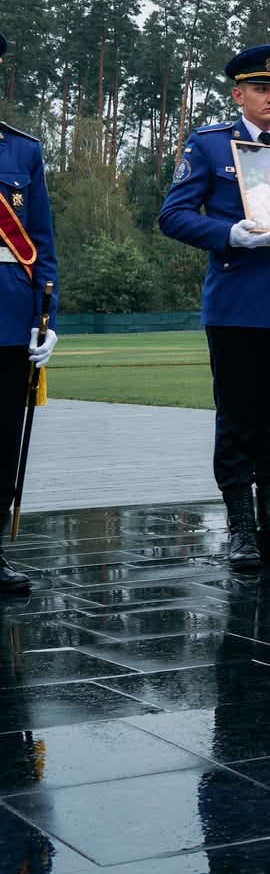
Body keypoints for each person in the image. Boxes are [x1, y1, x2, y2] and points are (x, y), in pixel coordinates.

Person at [159, 43, 270, 570]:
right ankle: (241, 530)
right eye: (261, 88)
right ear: (238, 94)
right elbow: (173, 215)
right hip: (236, 304)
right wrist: (228, 233)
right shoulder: (212, 146)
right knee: (238, 419)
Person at [0, 33, 57, 594]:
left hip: (9, 314)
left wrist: (49, 314)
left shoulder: (22, 151)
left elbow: (39, 240)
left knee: (2, 438)